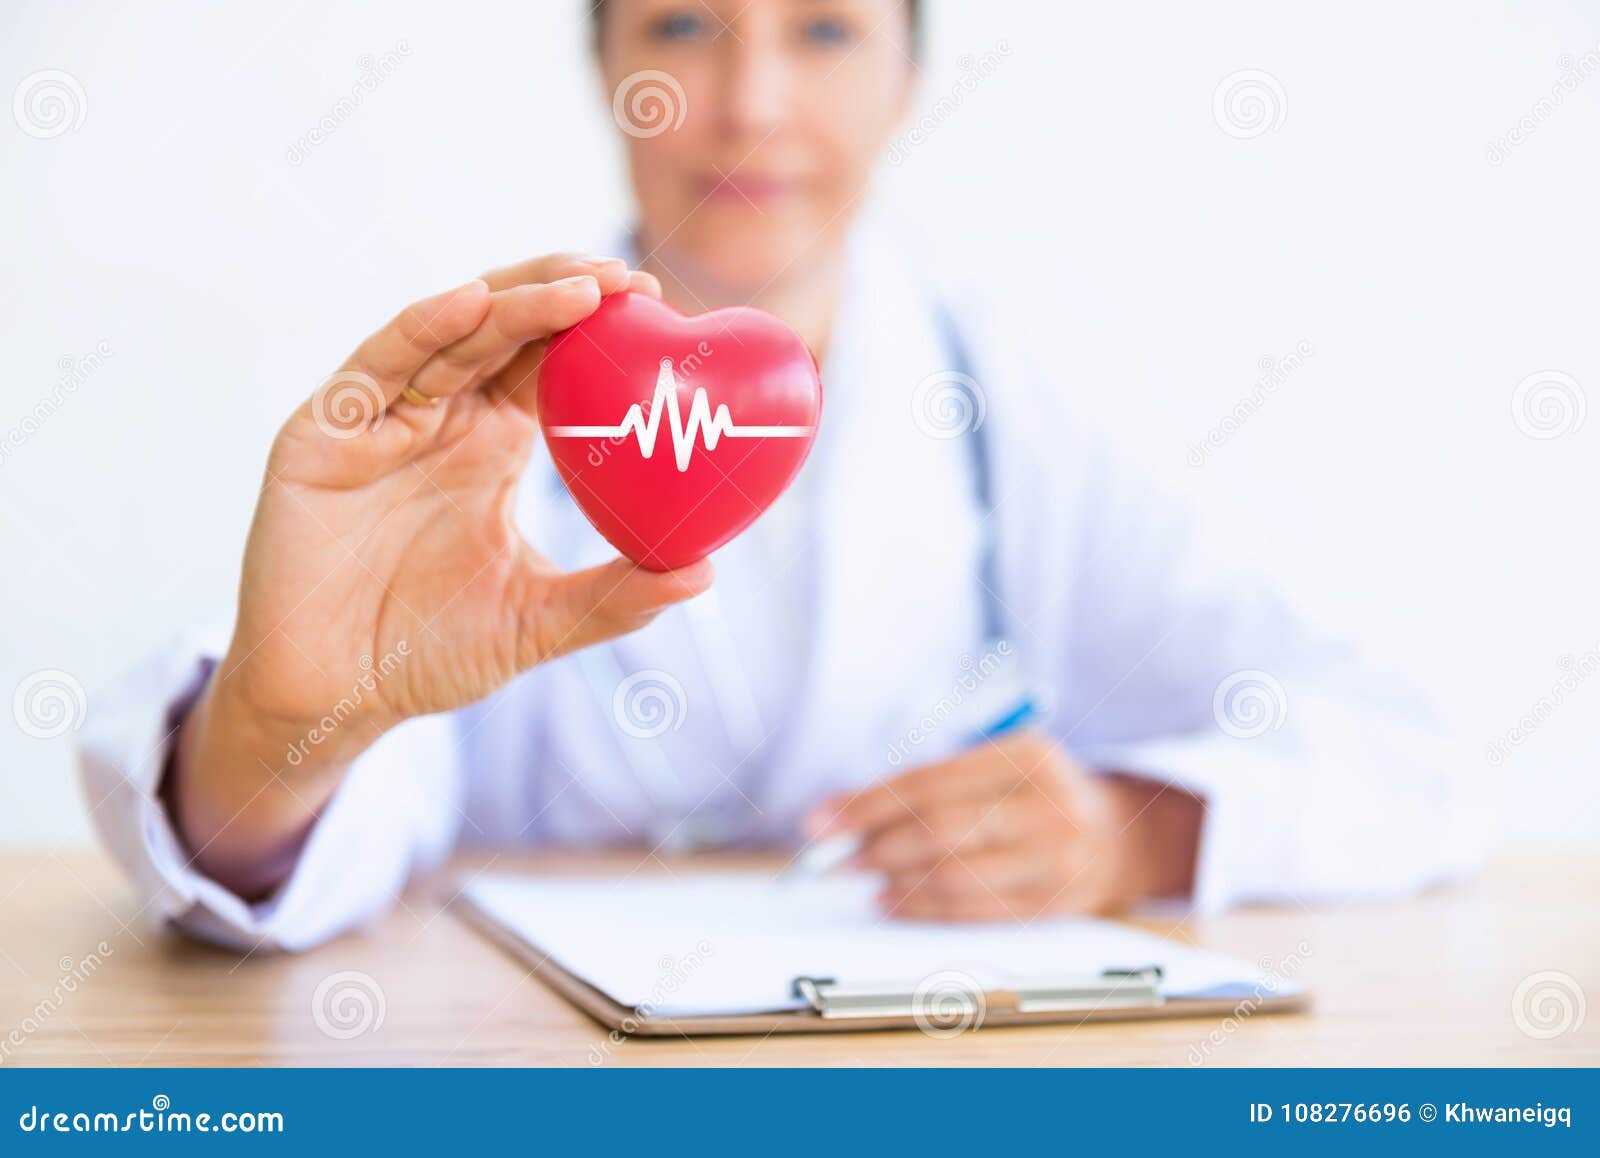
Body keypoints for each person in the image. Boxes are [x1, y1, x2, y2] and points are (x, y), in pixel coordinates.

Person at [79, 0, 1484, 951]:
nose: (750, 105)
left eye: (822, 28)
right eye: (684, 24)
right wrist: (281, 727)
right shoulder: (463, 422)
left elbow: (1411, 753)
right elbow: (287, 835)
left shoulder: (1020, 407)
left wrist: (1134, 830)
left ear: (909, 74)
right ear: (602, 60)